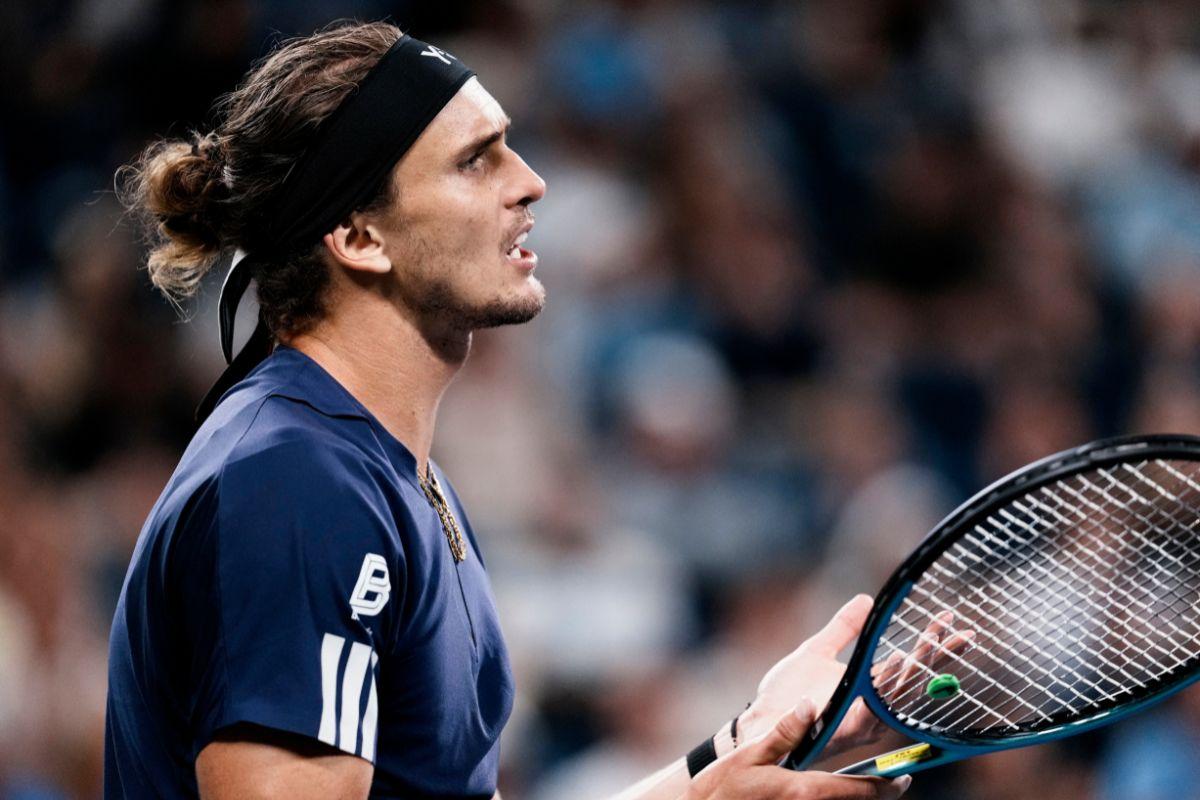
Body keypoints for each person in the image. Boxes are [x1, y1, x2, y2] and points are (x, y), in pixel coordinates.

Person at [105, 20, 916, 800]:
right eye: (474, 162)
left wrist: (743, 745)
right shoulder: (297, 486)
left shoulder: (383, 480)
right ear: (359, 236)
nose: (530, 181)